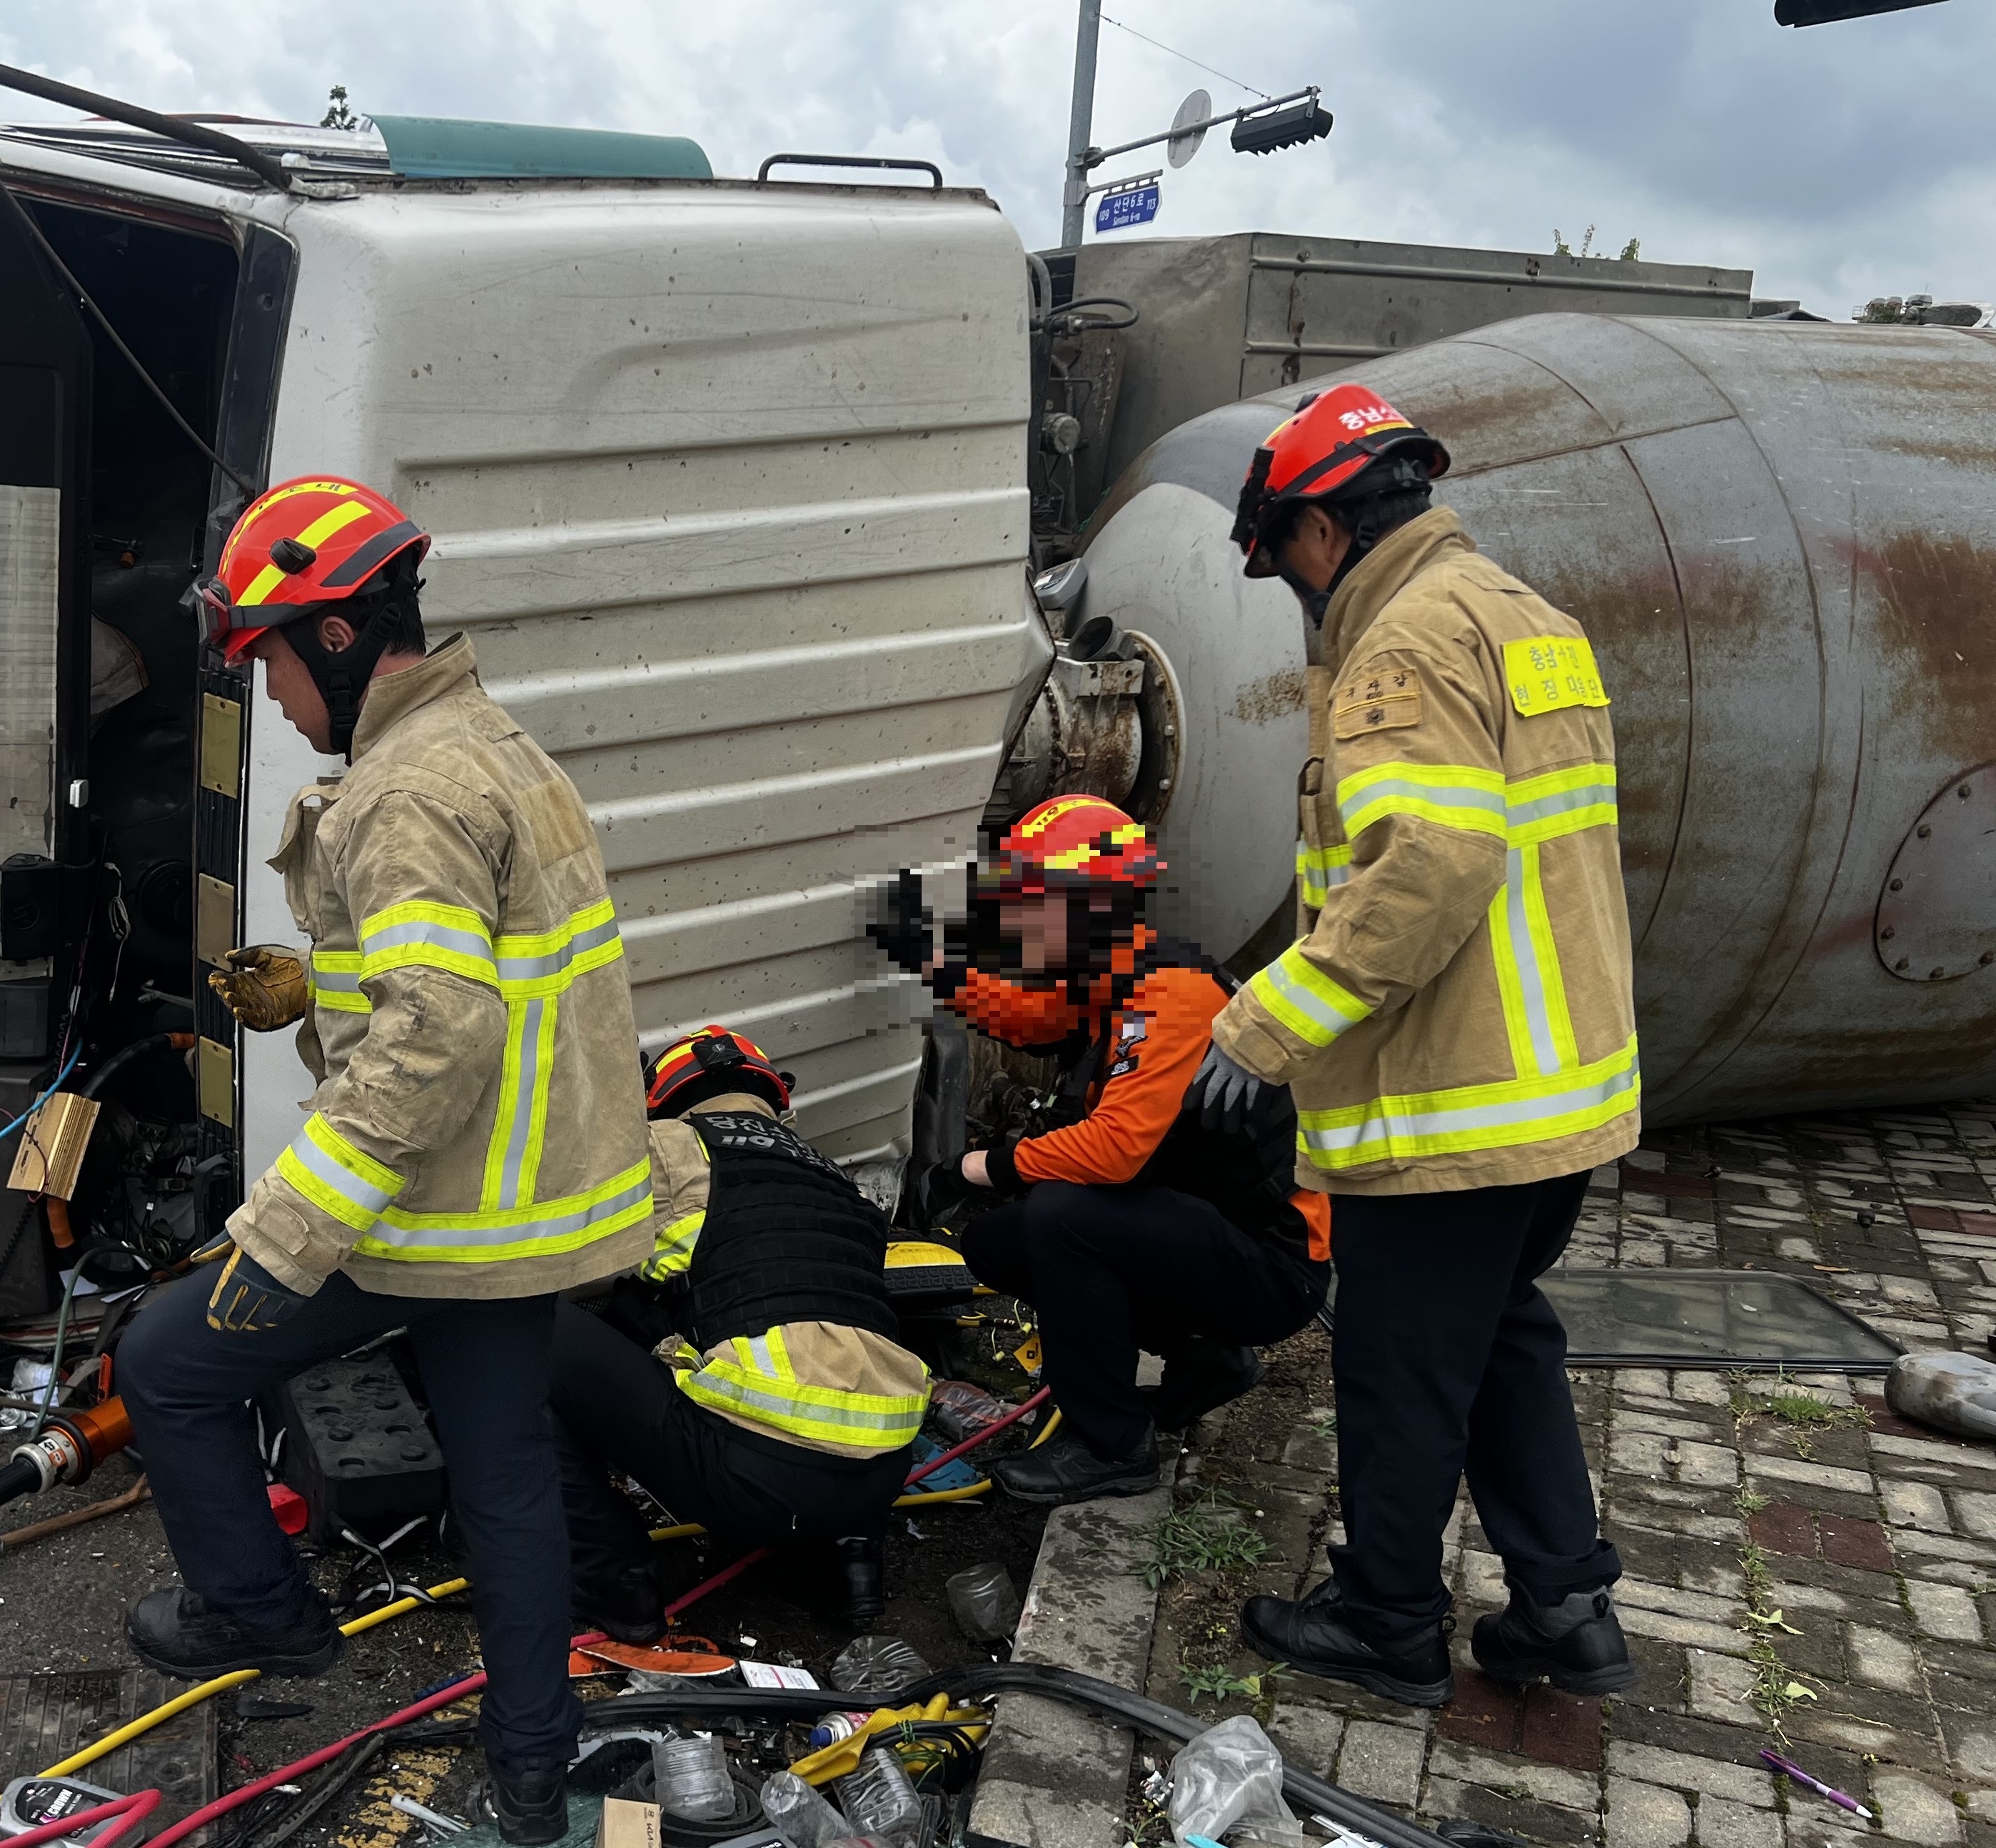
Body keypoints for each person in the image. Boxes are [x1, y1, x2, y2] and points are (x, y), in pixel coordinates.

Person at [116, 475, 652, 1847]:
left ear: (340, 639)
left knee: (169, 1361)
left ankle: (264, 1613)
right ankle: (533, 1782)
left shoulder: (403, 791)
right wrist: (314, 985)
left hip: (437, 1206)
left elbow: (437, 1029)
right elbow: (468, 967)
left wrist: (285, 1234)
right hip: (522, 1213)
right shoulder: (489, 745)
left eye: (274, 662)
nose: (278, 701)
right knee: (505, 1477)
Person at [1196, 383, 1640, 1708]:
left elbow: (1429, 864)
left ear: (1321, 528)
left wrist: (1268, 1020)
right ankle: (1564, 1604)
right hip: (1554, 1087)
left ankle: (1384, 1615)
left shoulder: (1399, 645)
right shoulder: (1523, 617)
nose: (1288, 591)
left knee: (1396, 1362)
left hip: (1451, 1099)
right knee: (1499, 1333)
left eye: (1278, 561)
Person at [876, 794, 1329, 1505]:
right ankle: (1204, 1355)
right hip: (1202, 1237)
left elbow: (1114, 1151)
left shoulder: (1169, 996)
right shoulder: (1112, 978)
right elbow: (1026, 1018)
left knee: (1060, 1217)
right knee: (1000, 1243)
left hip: (1271, 1267)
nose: (1015, 919)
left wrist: (976, 1168)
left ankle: (1110, 1445)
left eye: (1030, 903)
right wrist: (931, 961)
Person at [551, 1027, 929, 1644]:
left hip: (753, 1479)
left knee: (525, 1336)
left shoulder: (664, 1147)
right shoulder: (833, 1179)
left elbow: (563, 1256)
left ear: (662, 1099)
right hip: (881, 1479)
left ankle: (611, 1579)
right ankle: (842, 1565)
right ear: (776, 1100)